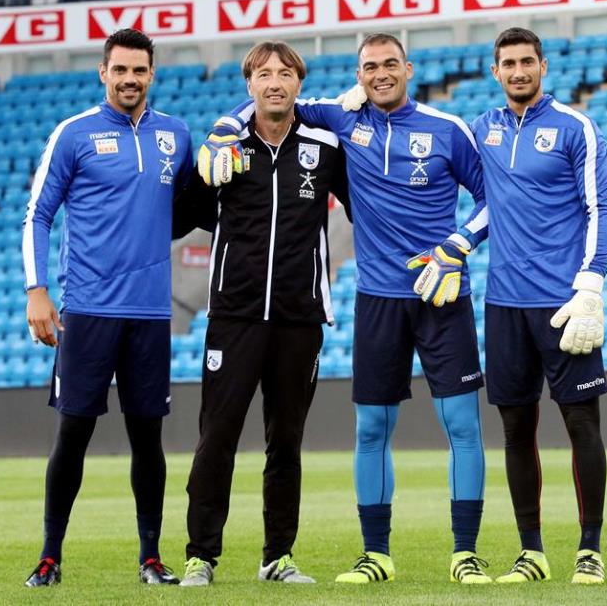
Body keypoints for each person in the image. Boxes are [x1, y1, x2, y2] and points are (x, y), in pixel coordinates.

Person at [202, 33, 492, 584]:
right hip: (377, 299)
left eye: (390, 64)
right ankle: (375, 555)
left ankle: (465, 553)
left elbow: (492, 198)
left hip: (441, 295)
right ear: (358, 76)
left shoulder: (447, 129)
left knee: (461, 424)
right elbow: (269, 99)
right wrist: (222, 130)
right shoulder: (340, 118)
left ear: (408, 68)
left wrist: (457, 247)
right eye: (370, 67)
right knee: (371, 428)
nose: (381, 74)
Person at [173, 41, 349, 587]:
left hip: (300, 319)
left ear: (299, 83)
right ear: (249, 85)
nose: (275, 82)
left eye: (285, 73)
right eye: (264, 74)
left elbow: (369, 206)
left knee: (286, 443)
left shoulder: (325, 146)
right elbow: (180, 219)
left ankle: (278, 557)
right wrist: (202, 174)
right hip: (235, 316)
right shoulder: (225, 147)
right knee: (216, 437)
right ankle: (201, 556)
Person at [21, 28, 192, 587]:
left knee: (148, 439)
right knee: (73, 434)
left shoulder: (176, 134)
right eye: (120, 69)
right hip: (88, 309)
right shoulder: (74, 134)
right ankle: (50, 556)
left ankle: (151, 558)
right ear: (103, 72)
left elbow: (189, 207)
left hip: (151, 314)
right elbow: (38, 215)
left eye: (139, 70)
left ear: (152, 74)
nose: (129, 79)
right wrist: (36, 290)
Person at [471, 27, 607, 584]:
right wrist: (459, 243)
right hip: (503, 303)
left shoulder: (576, 127)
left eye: (526, 61)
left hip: (563, 303)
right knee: (515, 429)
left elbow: (600, 208)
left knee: (581, 423)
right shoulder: (482, 130)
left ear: (543, 66)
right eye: (508, 63)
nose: (518, 71)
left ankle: (590, 549)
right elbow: (487, 205)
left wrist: (591, 286)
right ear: (495, 71)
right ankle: (531, 552)